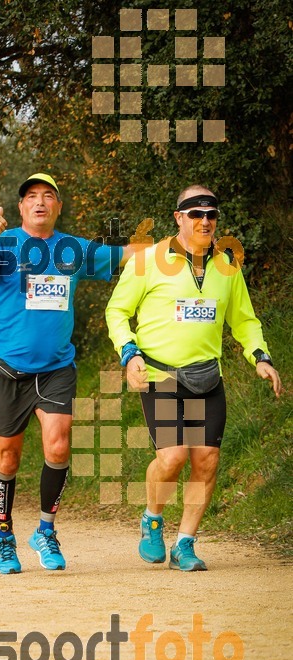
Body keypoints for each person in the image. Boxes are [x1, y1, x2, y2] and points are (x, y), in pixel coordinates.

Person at [0, 173, 133, 574]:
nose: (40, 201)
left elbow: (124, 254)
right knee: (8, 457)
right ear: (21, 208)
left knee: (58, 446)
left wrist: (174, 247)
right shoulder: (0, 244)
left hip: (56, 368)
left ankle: (46, 530)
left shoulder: (72, 248)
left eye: (48, 196)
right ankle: (4, 537)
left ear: (57, 207)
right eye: (32, 196)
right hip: (6, 368)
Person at [105, 184, 283, 572]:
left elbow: (244, 320)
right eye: (196, 214)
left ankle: (185, 543)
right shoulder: (147, 261)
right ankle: (152, 518)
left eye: (211, 214)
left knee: (206, 460)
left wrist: (260, 356)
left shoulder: (227, 267)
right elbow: (117, 312)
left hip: (206, 377)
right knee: (171, 458)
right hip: (160, 374)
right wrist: (129, 352)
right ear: (178, 218)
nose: (205, 221)